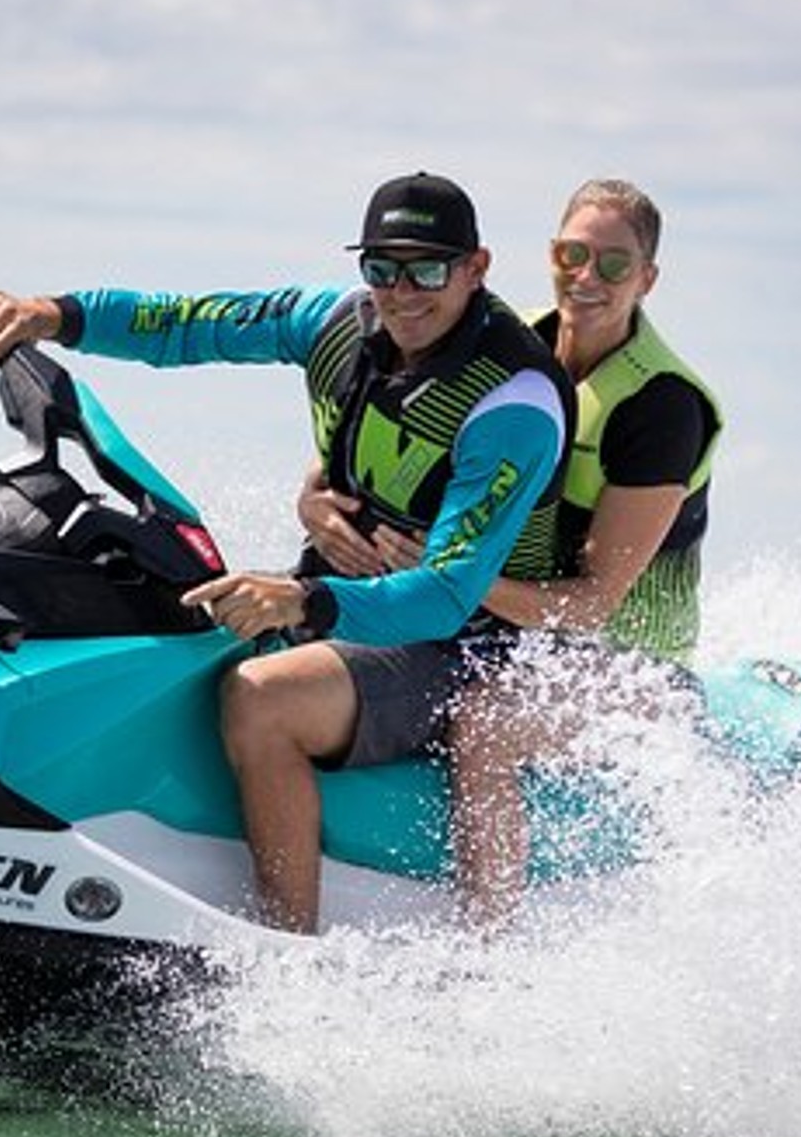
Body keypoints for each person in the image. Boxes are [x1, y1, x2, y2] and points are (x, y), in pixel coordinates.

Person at [0, 172, 571, 933]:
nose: (401, 292)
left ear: (476, 268)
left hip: (467, 647)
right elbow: (188, 323)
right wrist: (54, 315)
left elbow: (448, 596)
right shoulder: (335, 323)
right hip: (347, 599)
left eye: (427, 271)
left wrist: (303, 601)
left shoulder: (513, 402)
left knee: (262, 697)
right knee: (157, 617)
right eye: (382, 268)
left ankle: (286, 949)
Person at [299, 177, 722, 909]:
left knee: (484, 727)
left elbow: (591, 607)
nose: (587, 277)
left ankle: (490, 945)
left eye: (614, 264)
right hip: (503, 631)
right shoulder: (502, 347)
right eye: (572, 254)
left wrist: (456, 575)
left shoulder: (661, 406)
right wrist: (313, 502)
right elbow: (363, 442)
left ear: (647, 279)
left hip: (628, 664)